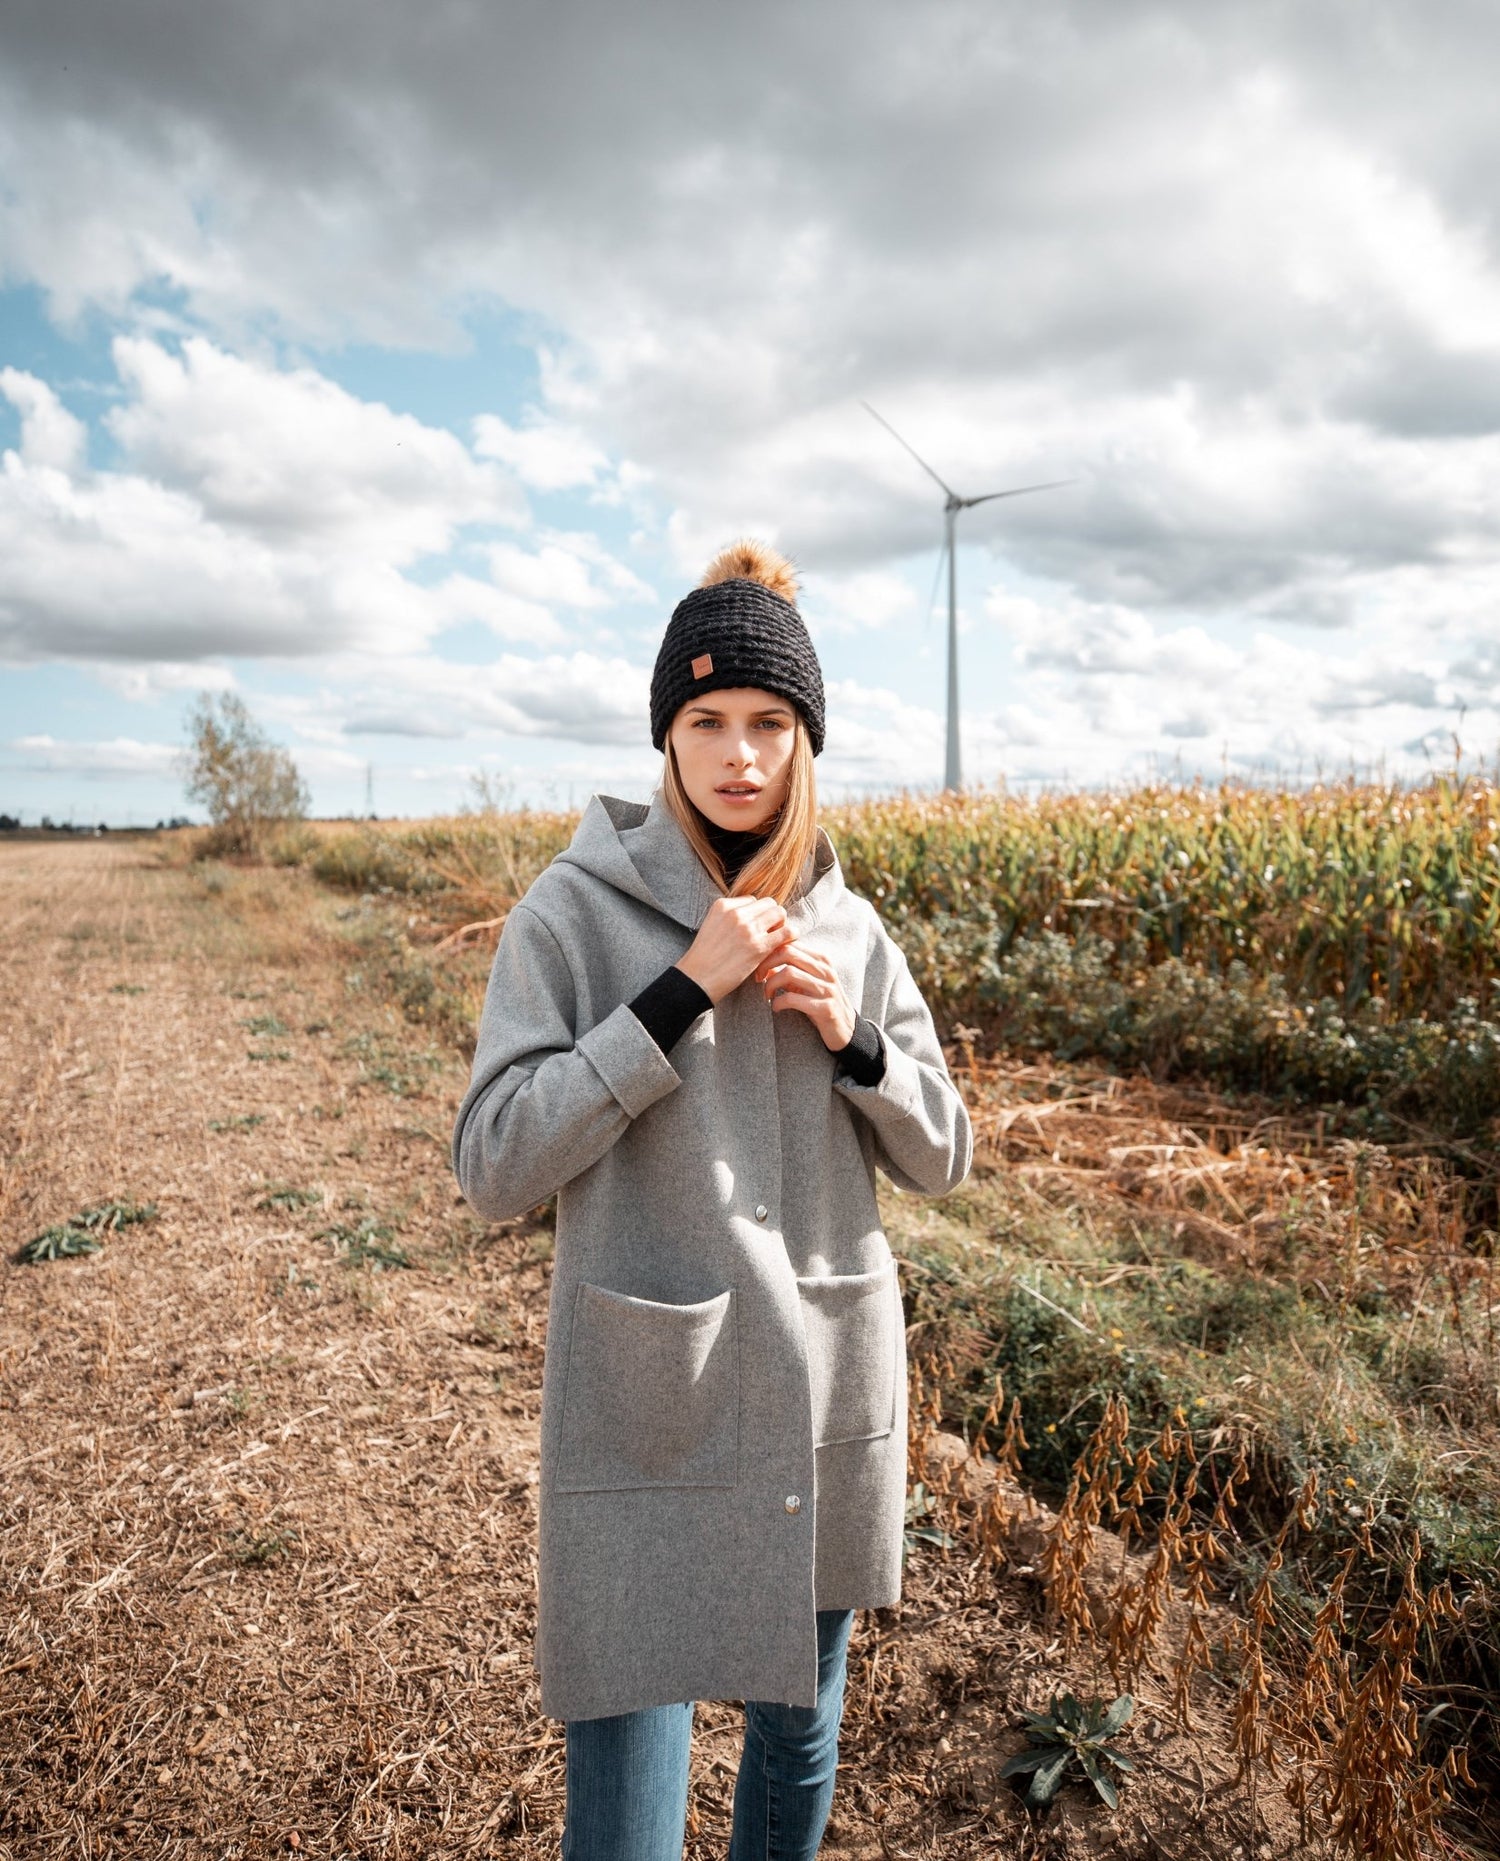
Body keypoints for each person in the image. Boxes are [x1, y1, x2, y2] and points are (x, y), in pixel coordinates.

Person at [452, 538, 974, 1860]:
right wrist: (678, 993)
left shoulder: (854, 930)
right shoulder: (571, 915)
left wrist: (858, 1042)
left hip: (822, 1388)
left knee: (801, 1730)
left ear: (806, 740)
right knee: (632, 1772)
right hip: (652, 1395)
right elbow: (494, 1163)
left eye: (770, 722)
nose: (740, 753)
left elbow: (945, 1155)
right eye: (706, 722)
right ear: (665, 737)